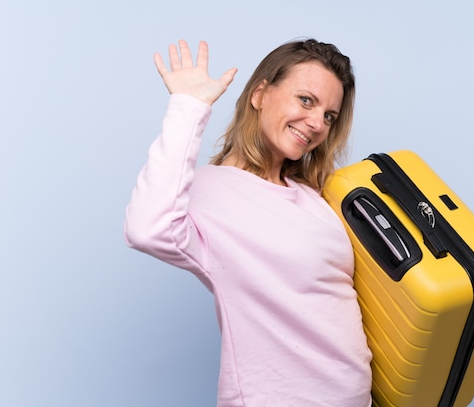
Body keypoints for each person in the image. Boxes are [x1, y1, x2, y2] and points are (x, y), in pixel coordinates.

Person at [124, 38, 372, 407]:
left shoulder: (312, 196)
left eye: (329, 116)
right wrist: (189, 108)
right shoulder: (212, 192)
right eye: (306, 100)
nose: (318, 123)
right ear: (260, 94)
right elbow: (147, 229)